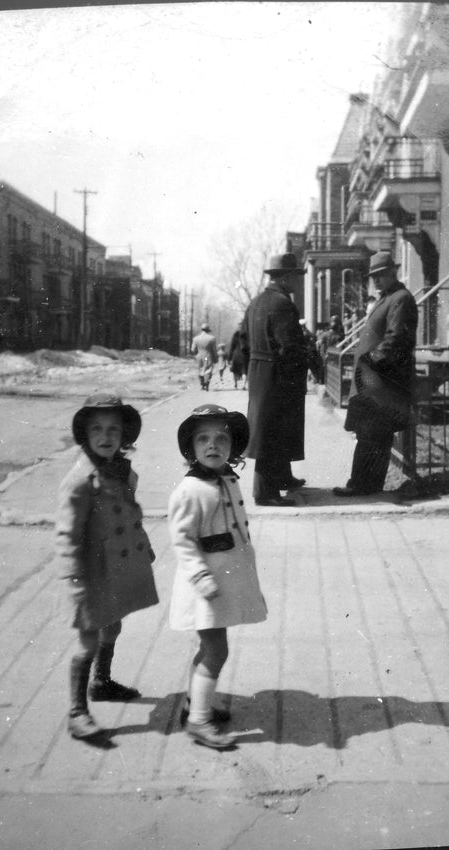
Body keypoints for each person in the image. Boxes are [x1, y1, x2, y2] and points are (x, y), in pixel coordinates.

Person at [55, 391, 159, 739]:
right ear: (85, 434)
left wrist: (145, 546)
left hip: (114, 567)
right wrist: (73, 580)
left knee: (112, 628)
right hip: (88, 575)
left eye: (113, 430)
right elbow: (67, 536)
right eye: (97, 429)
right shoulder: (80, 481)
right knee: (87, 642)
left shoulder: (118, 470)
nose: (105, 437)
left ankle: (101, 682)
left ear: (123, 436)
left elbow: (131, 514)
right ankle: (76, 711)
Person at [168, 404, 267, 749]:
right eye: (204, 439)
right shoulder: (191, 490)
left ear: (233, 447)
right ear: (191, 448)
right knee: (216, 651)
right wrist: (201, 579)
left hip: (224, 580)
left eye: (222, 438)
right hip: (206, 585)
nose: (213, 445)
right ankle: (198, 721)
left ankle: (195, 701)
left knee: (211, 647)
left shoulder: (227, 479)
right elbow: (181, 540)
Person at [333, 251, 418, 497]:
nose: (377, 281)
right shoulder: (387, 298)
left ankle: (362, 486)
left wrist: (370, 361)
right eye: (374, 277)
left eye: (382, 275)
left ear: (394, 272)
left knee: (374, 434)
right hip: (374, 382)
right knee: (370, 434)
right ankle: (365, 485)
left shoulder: (401, 299)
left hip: (383, 381)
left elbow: (396, 340)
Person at [241, 253, 308, 506]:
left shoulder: (256, 302)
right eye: (296, 277)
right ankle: (265, 493)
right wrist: (297, 373)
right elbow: (289, 347)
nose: (298, 282)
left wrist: (254, 369)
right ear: (286, 277)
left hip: (260, 374)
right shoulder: (282, 304)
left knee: (272, 429)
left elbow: (243, 342)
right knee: (271, 433)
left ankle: (282, 478)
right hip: (279, 376)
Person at [191, 323, 218, 391]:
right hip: (207, 356)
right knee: (208, 369)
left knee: (200, 369)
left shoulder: (196, 338)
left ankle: (202, 383)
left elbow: (193, 349)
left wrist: (196, 355)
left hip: (199, 356)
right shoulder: (212, 338)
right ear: (208, 330)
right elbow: (214, 350)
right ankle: (206, 383)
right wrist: (215, 358)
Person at [228, 323, 248, 389]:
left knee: (235, 370)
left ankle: (235, 384)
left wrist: (229, 358)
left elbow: (232, 347)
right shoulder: (248, 334)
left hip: (236, 355)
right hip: (245, 355)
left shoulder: (236, 334)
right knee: (245, 371)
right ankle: (244, 385)